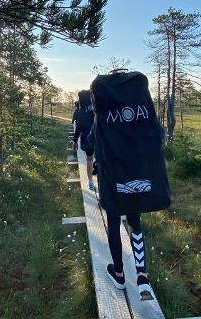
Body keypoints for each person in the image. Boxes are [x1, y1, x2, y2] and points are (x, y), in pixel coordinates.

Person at [90, 70, 171, 300]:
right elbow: (158, 139)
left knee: (114, 224)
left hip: (113, 180)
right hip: (139, 176)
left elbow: (90, 143)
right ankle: (142, 275)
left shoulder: (103, 121)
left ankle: (119, 274)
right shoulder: (144, 118)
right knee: (135, 223)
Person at [73, 90, 96, 191]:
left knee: (89, 159)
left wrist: (74, 141)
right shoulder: (95, 108)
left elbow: (78, 127)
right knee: (101, 159)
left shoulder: (81, 111)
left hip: (87, 139)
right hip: (99, 138)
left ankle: (90, 182)